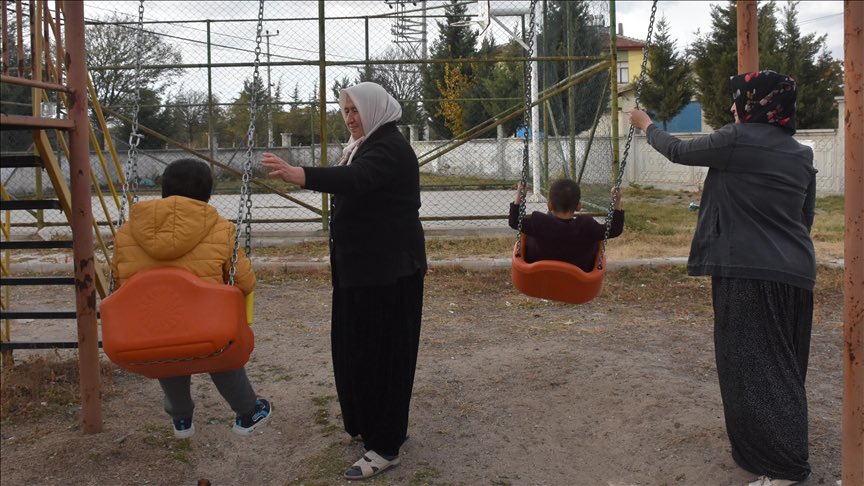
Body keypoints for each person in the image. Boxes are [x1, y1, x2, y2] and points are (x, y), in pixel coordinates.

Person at [629, 70, 816, 486]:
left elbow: (678, 150)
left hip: (749, 275)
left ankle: (785, 471)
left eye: (738, 100)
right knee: (781, 368)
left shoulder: (737, 139)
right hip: (797, 275)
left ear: (756, 105)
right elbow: (806, 216)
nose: (732, 108)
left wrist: (646, 125)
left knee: (756, 370)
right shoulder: (800, 153)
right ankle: (760, 453)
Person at [261, 81, 426, 480]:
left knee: (383, 356)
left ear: (375, 109)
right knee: (360, 351)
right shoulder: (366, 143)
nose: (351, 118)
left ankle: (386, 446)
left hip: (388, 274)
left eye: (356, 110)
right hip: (365, 271)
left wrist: (301, 174)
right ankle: (373, 427)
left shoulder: (388, 147)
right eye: (346, 111)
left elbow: (358, 180)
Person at [110, 158, 272, 439]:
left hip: (149, 328)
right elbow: (245, 281)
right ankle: (247, 412)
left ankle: (181, 419)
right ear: (207, 194)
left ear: (163, 190)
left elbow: (118, 277)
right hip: (207, 330)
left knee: (165, 351)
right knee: (224, 351)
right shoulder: (221, 229)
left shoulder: (127, 232)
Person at [508, 178, 624, 272]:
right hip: (578, 284)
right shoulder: (587, 226)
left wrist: (520, 194)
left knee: (527, 237)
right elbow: (614, 229)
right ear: (579, 206)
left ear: (549, 205)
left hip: (538, 278)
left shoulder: (539, 222)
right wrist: (616, 200)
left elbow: (514, 221)